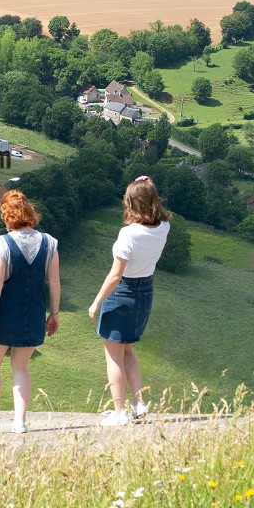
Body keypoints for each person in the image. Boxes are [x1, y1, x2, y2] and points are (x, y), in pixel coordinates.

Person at [0, 190, 60, 435]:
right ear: (29, 211)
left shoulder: (2, 243)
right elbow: (54, 282)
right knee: (21, 368)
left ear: (7, 216)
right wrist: (54, 313)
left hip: (3, 315)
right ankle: (20, 423)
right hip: (33, 316)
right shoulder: (50, 242)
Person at [88, 176, 171, 427]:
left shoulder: (128, 234)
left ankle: (120, 412)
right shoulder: (164, 227)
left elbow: (115, 275)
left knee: (113, 355)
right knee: (128, 350)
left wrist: (96, 302)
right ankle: (138, 403)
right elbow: (153, 203)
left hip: (123, 292)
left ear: (131, 203)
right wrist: (148, 184)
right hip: (146, 291)